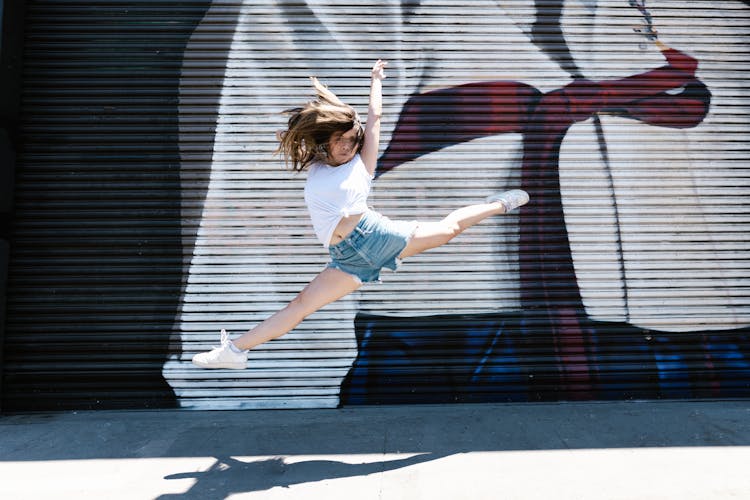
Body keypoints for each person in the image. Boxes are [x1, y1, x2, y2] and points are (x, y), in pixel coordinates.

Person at [191, 59, 530, 369]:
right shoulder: (318, 165)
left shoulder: (362, 165)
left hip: (375, 235)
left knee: (449, 229)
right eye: (341, 141)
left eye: (353, 141)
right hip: (346, 256)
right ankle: (233, 351)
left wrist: (376, 82)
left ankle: (499, 204)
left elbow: (375, 117)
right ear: (328, 139)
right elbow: (304, 137)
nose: (347, 147)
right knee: (300, 306)